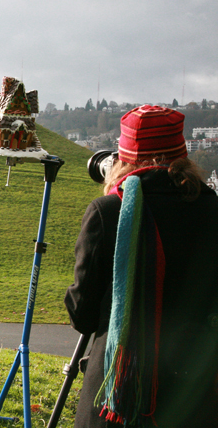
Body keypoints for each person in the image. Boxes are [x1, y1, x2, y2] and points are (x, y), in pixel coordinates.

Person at [64, 105, 218, 428]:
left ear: (126, 156)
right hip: (195, 394)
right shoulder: (212, 210)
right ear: (183, 154)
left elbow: (83, 314)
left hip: (117, 400)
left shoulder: (108, 212)